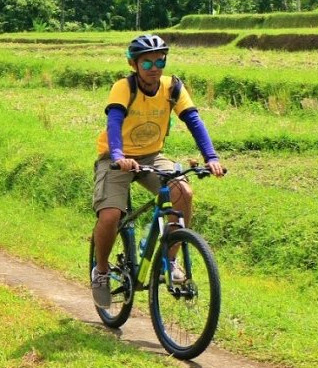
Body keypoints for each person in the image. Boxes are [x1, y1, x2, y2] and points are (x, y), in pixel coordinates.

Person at [90, 34, 225, 309]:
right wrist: (118, 155)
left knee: (182, 192)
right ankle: (101, 273)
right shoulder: (123, 88)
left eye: (159, 61)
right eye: (147, 63)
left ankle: (171, 259)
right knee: (111, 215)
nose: (154, 68)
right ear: (134, 64)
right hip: (115, 158)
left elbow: (194, 121)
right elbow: (114, 122)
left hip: (151, 155)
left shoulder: (172, 87)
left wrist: (210, 157)